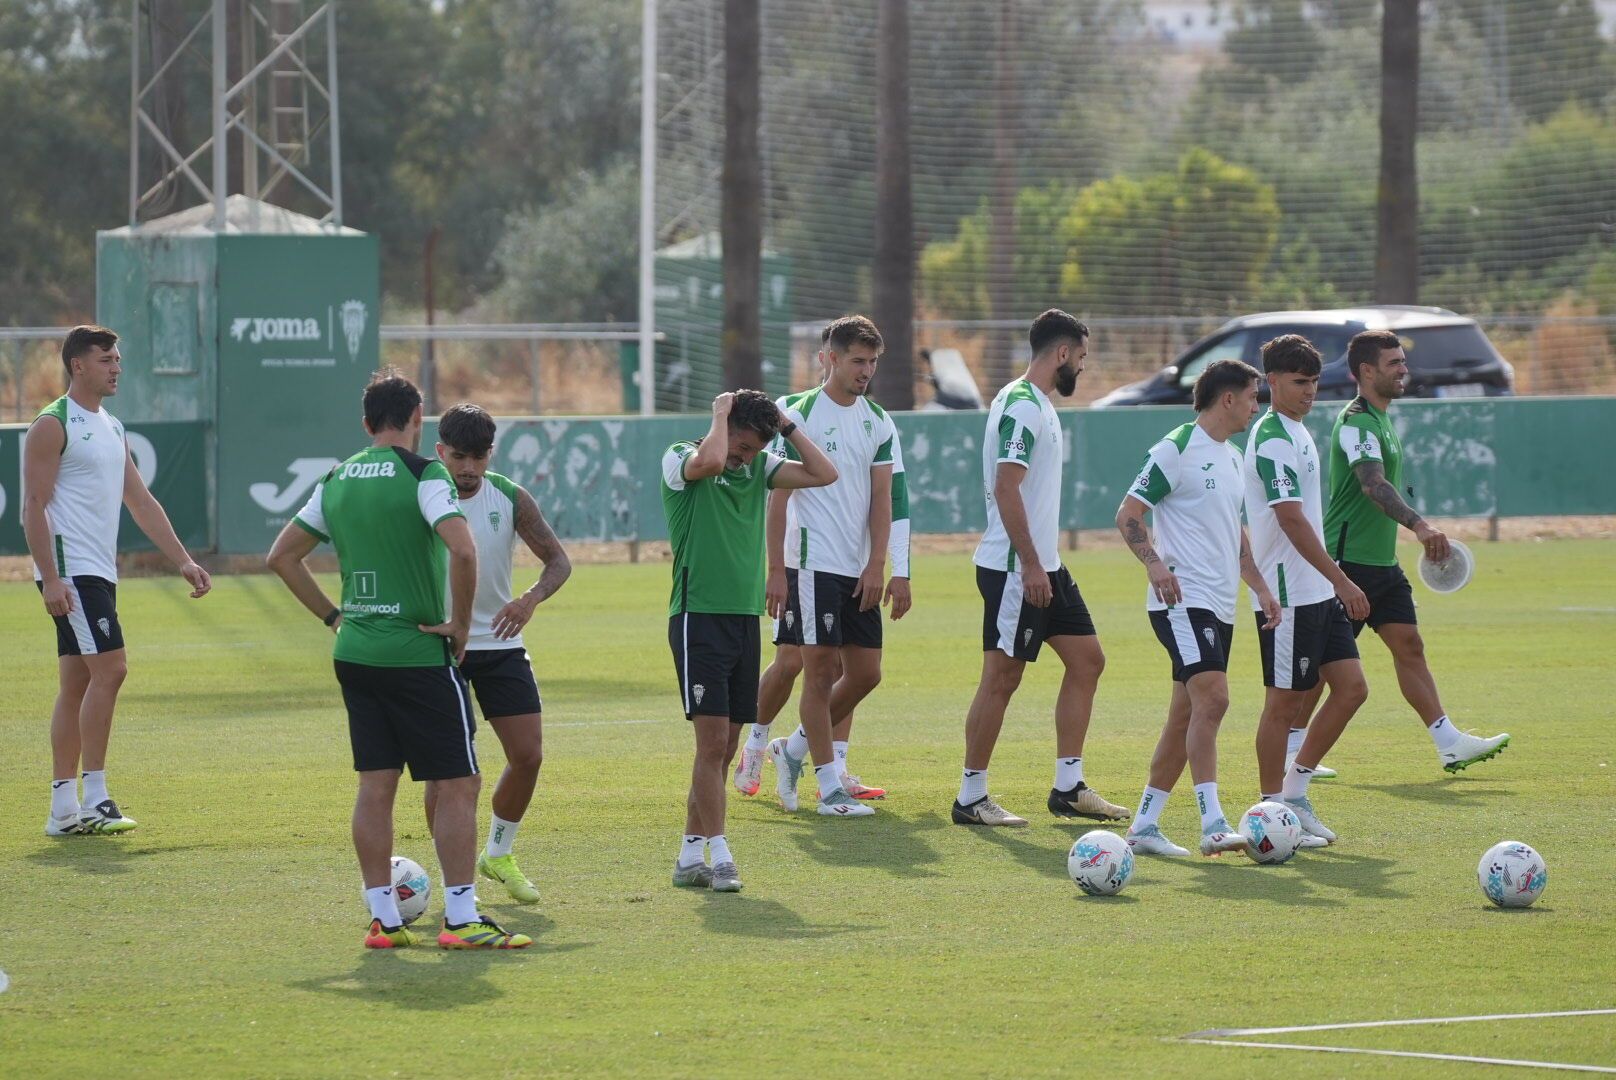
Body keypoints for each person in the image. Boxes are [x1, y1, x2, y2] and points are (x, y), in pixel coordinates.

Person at [267, 369, 530, 950]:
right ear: (417, 421)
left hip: (355, 650)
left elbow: (282, 557)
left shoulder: (336, 477)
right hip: (415, 653)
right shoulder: (424, 473)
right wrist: (461, 625)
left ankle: (383, 921)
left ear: (365, 424)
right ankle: (462, 920)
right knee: (460, 782)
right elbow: (462, 549)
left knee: (376, 786)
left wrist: (336, 617)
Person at [1291, 329, 1510, 773]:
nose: (1404, 369)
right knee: (1324, 667)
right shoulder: (1356, 422)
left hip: (1380, 563)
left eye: (1402, 361)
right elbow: (1373, 485)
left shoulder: (1382, 419)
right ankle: (1291, 749)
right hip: (1345, 562)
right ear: (1366, 371)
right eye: (1394, 363)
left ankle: (1448, 741)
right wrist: (1419, 524)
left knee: (1409, 644)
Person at [24, 325, 212, 837]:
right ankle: (96, 797)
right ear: (78, 365)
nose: (116, 368)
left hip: (97, 573)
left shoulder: (111, 426)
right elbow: (33, 507)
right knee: (113, 670)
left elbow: (141, 502)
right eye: (106, 359)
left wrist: (183, 560)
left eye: (118, 359)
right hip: (73, 574)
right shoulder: (51, 424)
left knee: (78, 682)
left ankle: (63, 809)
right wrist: (52, 579)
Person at [952, 309, 1129, 828]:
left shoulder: (1038, 405)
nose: (1083, 366)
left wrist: (1041, 564)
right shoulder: (1024, 407)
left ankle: (1068, 786)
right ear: (1062, 354)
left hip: (1043, 565)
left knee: (1088, 660)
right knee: (1002, 678)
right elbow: (1006, 488)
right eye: (1082, 356)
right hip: (1015, 568)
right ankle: (971, 797)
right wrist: (1030, 565)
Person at [662, 390, 837, 891]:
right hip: (698, 617)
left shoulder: (757, 467)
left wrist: (785, 427)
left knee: (727, 743)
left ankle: (688, 855)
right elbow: (713, 458)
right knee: (712, 743)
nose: (742, 458)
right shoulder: (680, 458)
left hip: (742, 620)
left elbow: (825, 473)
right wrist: (720, 413)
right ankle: (720, 854)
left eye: (752, 450)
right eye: (742, 446)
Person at [734, 326, 912, 801]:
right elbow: (777, 497)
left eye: (872, 362)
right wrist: (775, 568)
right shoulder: (796, 413)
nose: (866, 371)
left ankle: (794, 749)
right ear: (828, 359)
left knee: (863, 673)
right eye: (857, 361)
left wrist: (879, 563)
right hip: (808, 563)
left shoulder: (878, 420)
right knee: (800, 665)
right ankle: (768, 750)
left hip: (856, 568)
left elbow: (883, 497)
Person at [1117, 359, 1280, 858]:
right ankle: (1212, 822)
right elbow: (1128, 514)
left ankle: (1144, 825)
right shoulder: (1176, 447)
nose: (1257, 406)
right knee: (1215, 700)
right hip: (1182, 600)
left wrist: (1260, 587)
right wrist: (1154, 566)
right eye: (1253, 396)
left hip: (1219, 604)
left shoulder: (1232, 458)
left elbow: (1235, 535)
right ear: (1227, 398)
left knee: (1185, 712)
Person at [420, 403, 572, 905]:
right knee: (447, 771)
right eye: (458, 456)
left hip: (501, 643)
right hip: (439, 646)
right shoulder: (421, 493)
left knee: (527, 755)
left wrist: (530, 598)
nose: (468, 468)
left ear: (491, 454)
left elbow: (558, 561)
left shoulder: (509, 496)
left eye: (478, 457)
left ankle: (498, 854)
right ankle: (454, 883)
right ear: (440, 451)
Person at [1242, 335, 1370, 846]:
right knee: (1283, 704)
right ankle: (1268, 815)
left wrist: (1331, 581)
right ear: (1271, 381)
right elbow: (1291, 521)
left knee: (1353, 688)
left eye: (1315, 382)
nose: (1310, 391)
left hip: (1317, 590)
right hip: (1288, 595)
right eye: (1299, 382)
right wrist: (1341, 578)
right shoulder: (1271, 437)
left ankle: (1293, 795)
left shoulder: (1298, 431)